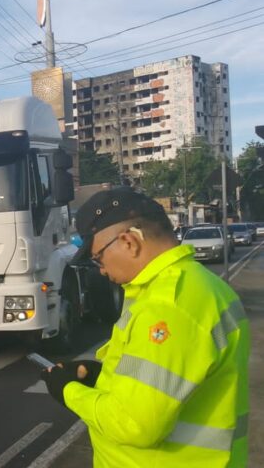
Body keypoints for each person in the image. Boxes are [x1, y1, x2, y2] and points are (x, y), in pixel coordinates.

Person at [41, 188, 249, 467]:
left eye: (98, 258)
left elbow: (134, 425)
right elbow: (172, 377)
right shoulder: (199, 284)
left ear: (129, 241)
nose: (100, 270)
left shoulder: (168, 305)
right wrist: (101, 377)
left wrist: (68, 391)